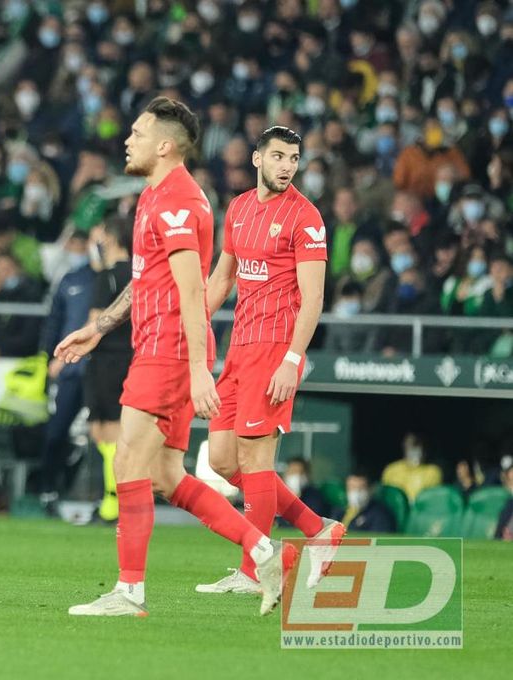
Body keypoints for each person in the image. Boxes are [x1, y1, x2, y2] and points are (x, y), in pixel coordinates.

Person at [55, 97, 293, 618]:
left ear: (164, 146)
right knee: (165, 475)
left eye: (138, 134)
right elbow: (145, 280)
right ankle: (264, 551)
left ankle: (129, 592)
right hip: (161, 347)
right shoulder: (153, 195)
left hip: (169, 350)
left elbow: (192, 292)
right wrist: (98, 327)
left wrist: (198, 371)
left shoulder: (179, 203)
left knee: (128, 461)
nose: (128, 141)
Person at [199, 126, 345, 595]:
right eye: (279, 156)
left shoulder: (306, 217)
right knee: (223, 460)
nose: (287, 166)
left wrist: (292, 360)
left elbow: (314, 298)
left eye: (294, 158)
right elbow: (222, 279)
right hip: (239, 348)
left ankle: (254, 571)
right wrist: (189, 327)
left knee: (256, 460)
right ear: (257, 158)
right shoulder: (239, 208)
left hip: (275, 349)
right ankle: (318, 529)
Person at [83, 216, 134, 521]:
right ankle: (110, 497)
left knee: (108, 431)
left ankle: (114, 503)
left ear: (110, 238)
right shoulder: (137, 273)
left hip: (106, 359)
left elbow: (95, 321)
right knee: (107, 431)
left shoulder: (107, 277)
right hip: (129, 356)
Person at [38, 232, 94, 506]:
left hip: (100, 370)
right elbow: (54, 320)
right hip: (69, 370)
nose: (73, 249)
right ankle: (49, 489)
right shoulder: (69, 280)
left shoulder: (107, 279)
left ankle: (105, 496)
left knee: (103, 436)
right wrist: (48, 355)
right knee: (56, 431)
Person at [381, 432, 442, 503]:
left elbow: (431, 501)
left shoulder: (433, 471)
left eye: (418, 445)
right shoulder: (391, 470)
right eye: (411, 445)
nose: (415, 449)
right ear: (404, 446)